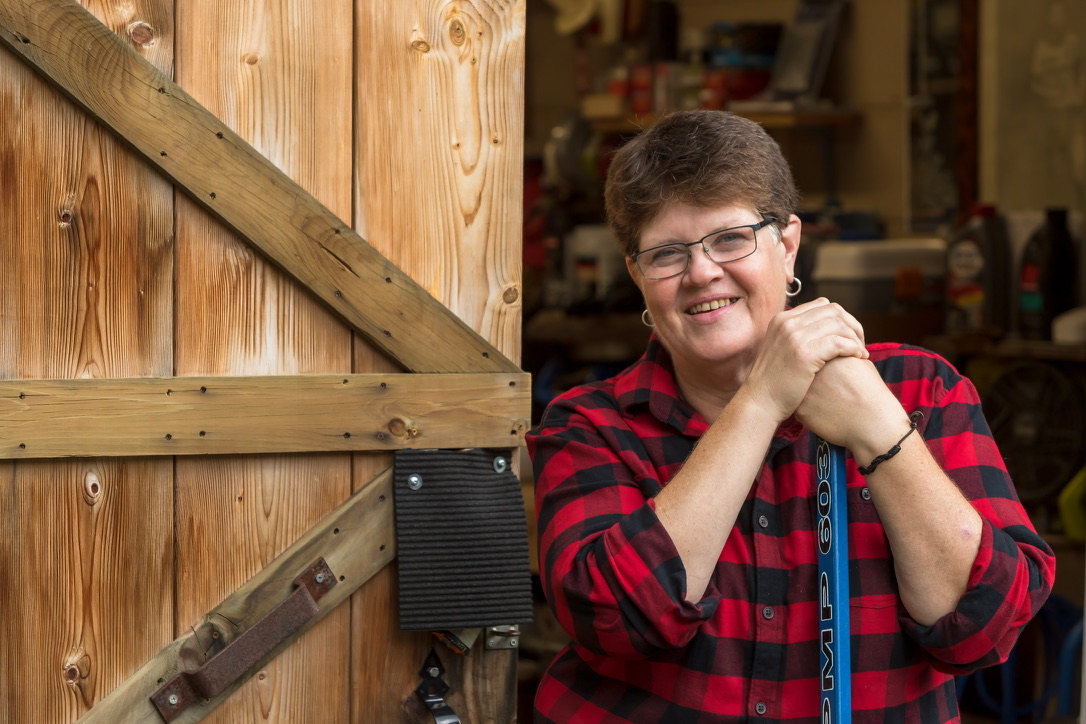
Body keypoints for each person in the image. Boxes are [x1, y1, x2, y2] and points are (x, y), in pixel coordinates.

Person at [525, 109, 1055, 723]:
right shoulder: (589, 426)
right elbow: (617, 620)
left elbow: (982, 630)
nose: (702, 273)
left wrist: (882, 430)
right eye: (667, 253)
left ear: (789, 244)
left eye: (731, 239)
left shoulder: (921, 390)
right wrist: (761, 401)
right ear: (637, 276)